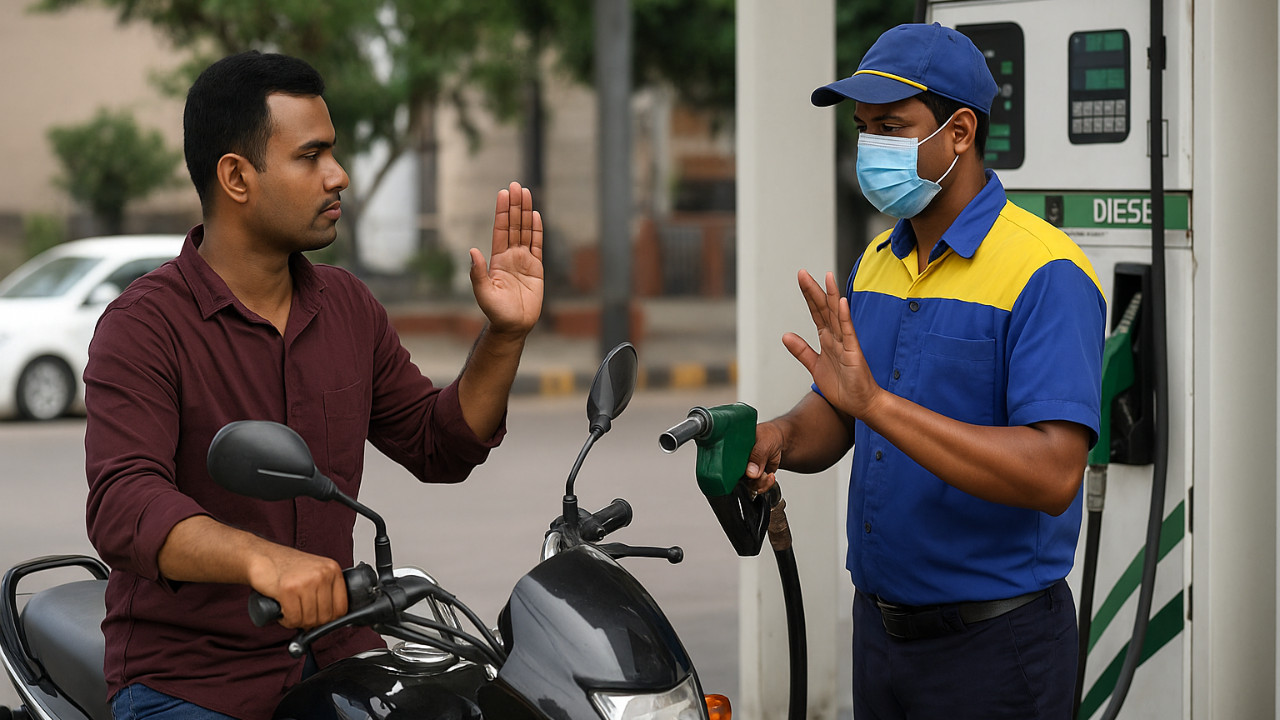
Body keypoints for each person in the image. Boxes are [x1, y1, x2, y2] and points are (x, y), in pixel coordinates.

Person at [84, 51, 544, 719]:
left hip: (340, 653)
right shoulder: (144, 326)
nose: (340, 176)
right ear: (237, 177)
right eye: (311, 156)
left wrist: (504, 334)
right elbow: (125, 501)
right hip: (192, 681)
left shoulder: (348, 307)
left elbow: (436, 444)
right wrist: (261, 560)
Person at [745, 23, 1106, 719]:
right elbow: (844, 410)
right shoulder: (878, 260)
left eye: (891, 125)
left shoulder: (1044, 272)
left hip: (998, 648)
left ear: (961, 131)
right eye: (862, 128)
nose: (870, 147)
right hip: (882, 639)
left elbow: (1054, 473)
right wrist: (781, 438)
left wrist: (875, 404)